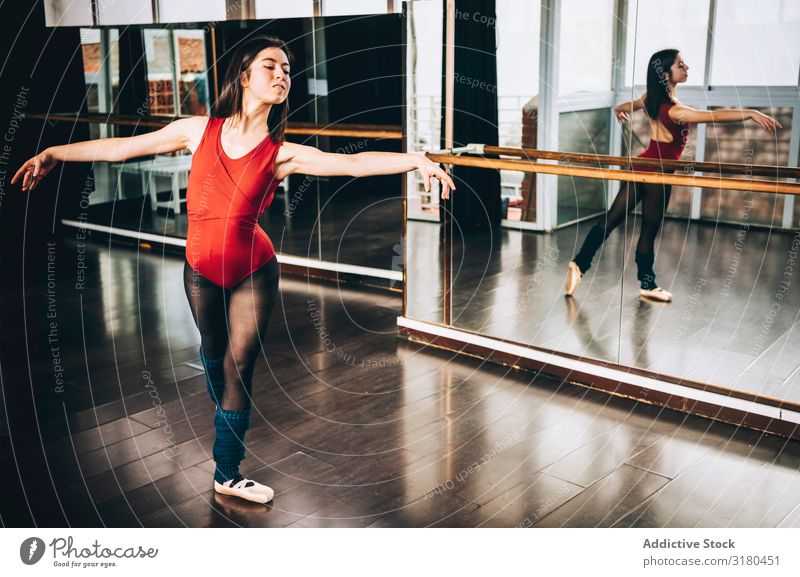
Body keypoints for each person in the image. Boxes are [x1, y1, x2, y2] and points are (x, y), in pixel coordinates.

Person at [12, 35, 455, 504]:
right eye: (271, 66)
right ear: (244, 75)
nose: (283, 75)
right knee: (213, 353)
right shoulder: (196, 130)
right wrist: (55, 153)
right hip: (200, 268)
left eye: (287, 69)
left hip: (253, 270)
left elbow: (353, 164)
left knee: (238, 367)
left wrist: (417, 160)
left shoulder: (281, 153)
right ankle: (223, 401)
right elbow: (122, 147)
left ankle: (228, 470)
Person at [565, 48, 781, 302]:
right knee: (649, 229)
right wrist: (751, 113)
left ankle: (579, 263)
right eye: (681, 65)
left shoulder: (650, 99)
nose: (686, 67)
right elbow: (714, 117)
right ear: (666, 74)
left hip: (640, 165)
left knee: (612, 218)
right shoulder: (675, 111)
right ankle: (648, 284)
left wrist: (619, 109)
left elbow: (628, 105)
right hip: (658, 173)